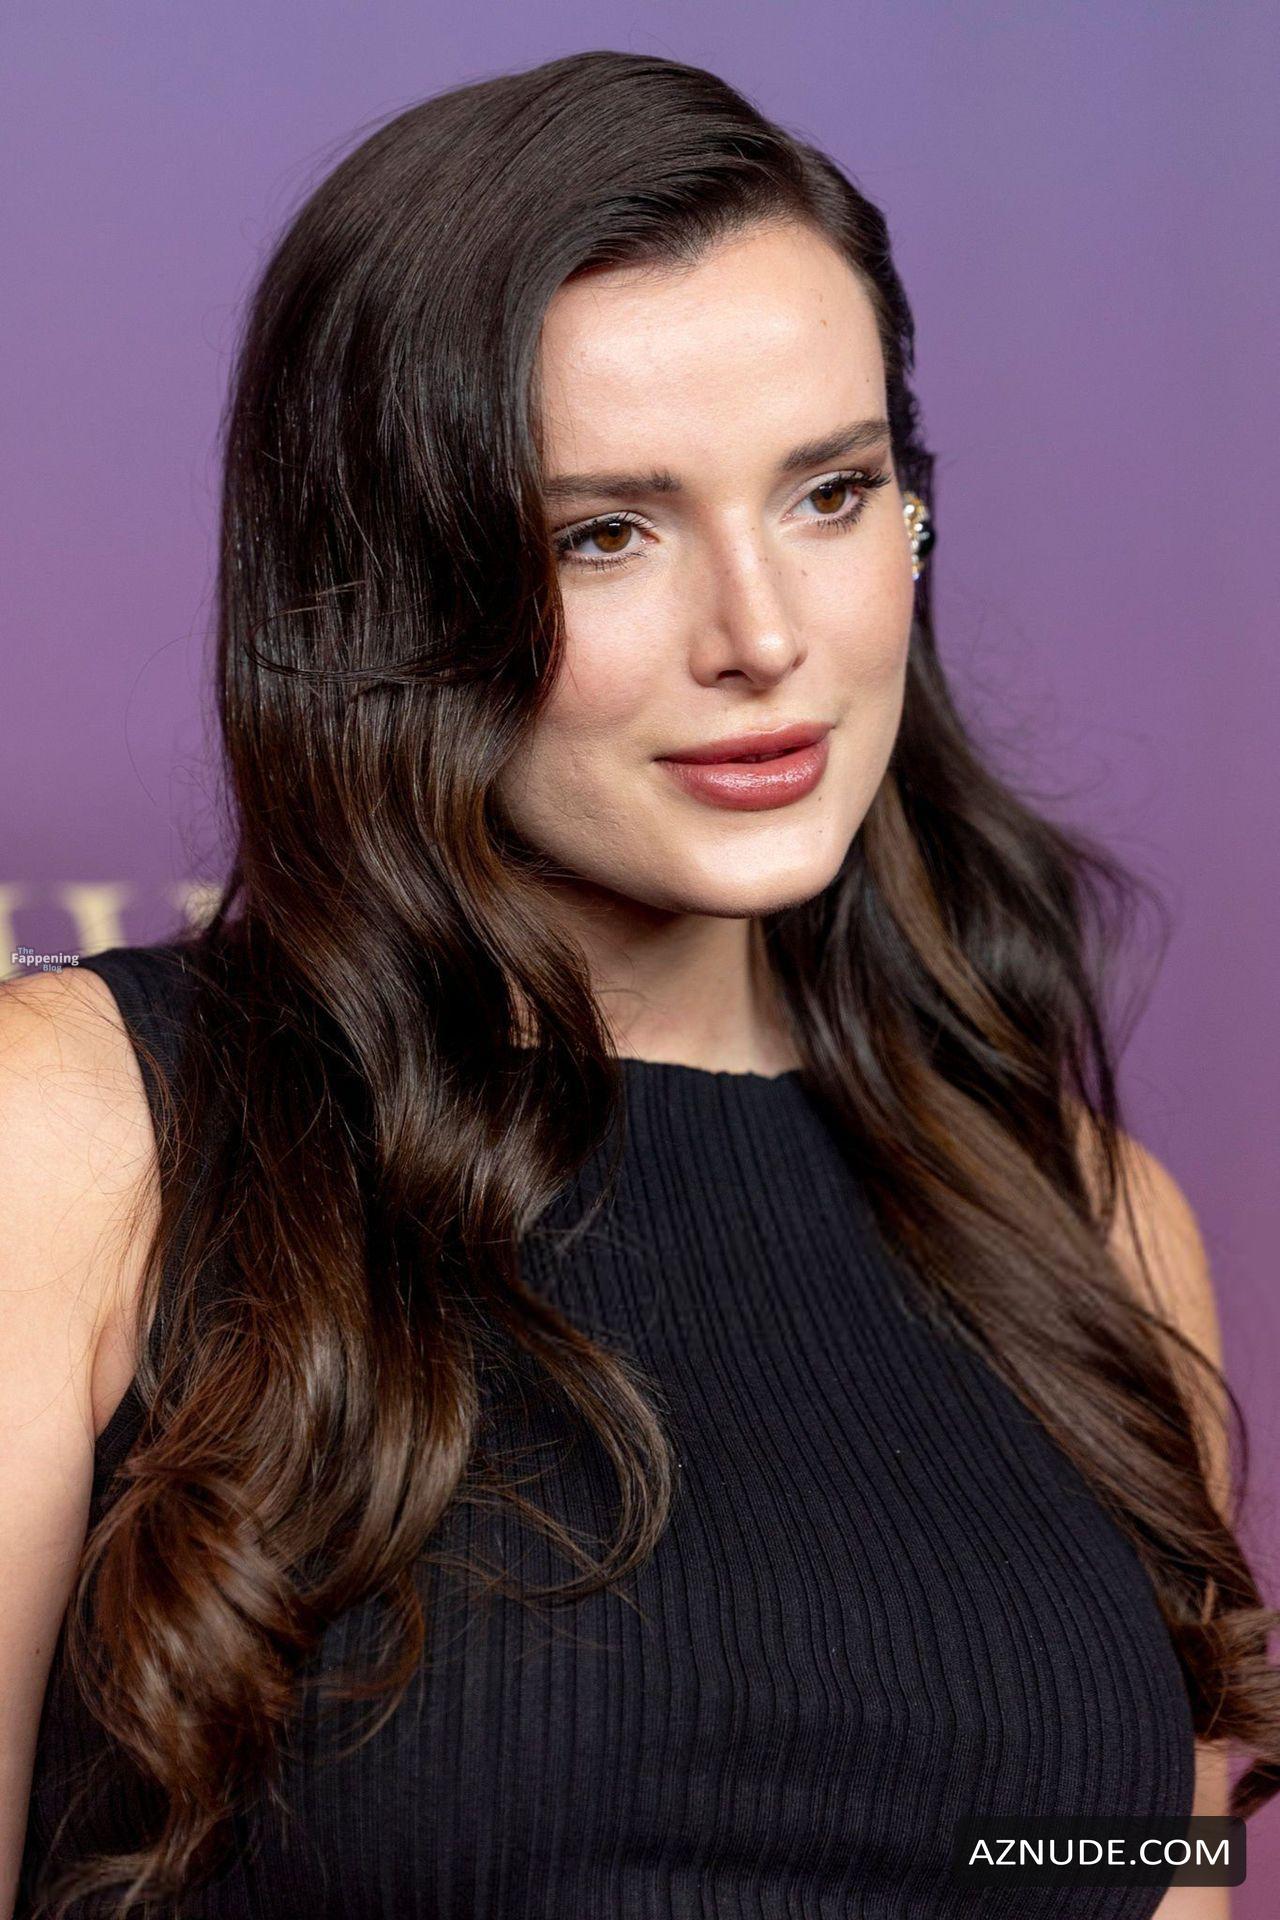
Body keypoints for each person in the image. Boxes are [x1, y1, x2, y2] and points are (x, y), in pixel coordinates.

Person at [3, 47, 1273, 1920]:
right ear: (392, 593)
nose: (763, 636)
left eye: (830, 494)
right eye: (604, 532)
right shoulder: (83, 1142)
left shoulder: (1092, 1228)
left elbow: (1135, 1864)